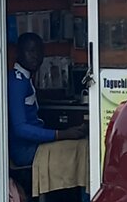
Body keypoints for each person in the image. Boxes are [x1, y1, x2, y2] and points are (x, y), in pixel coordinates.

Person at [8, 33, 86, 166]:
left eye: (40, 51)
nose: (36, 56)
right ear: (18, 53)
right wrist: (60, 134)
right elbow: (20, 128)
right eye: (31, 51)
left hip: (34, 145)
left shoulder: (24, 79)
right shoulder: (18, 82)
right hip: (26, 151)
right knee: (81, 150)